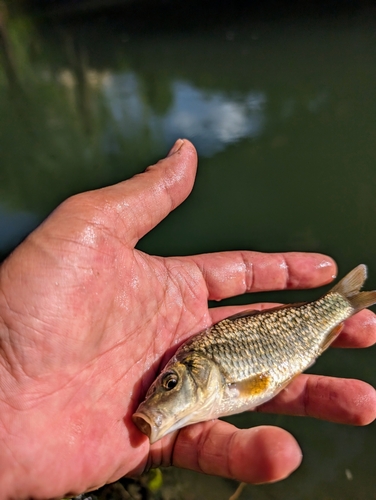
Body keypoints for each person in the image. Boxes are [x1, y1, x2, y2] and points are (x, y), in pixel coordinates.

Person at [0, 139, 375, 499]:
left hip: (295, 336)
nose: (157, 397)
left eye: (170, 382)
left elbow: (259, 383)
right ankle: (343, 302)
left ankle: (342, 303)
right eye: (168, 384)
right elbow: (259, 384)